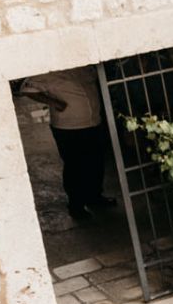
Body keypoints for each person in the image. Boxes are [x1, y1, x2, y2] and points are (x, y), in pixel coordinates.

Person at [17, 68, 112, 220]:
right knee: (75, 166)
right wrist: (54, 102)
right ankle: (76, 206)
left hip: (93, 122)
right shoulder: (49, 72)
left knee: (96, 161)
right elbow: (26, 89)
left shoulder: (85, 68)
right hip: (68, 128)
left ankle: (95, 197)